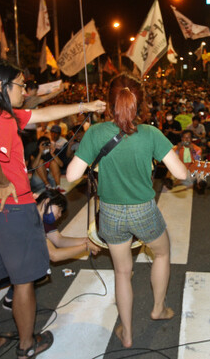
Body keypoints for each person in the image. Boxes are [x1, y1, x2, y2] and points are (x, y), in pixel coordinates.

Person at [0, 58, 105, 358]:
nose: (26, 91)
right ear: (3, 86)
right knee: (23, 282)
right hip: (13, 209)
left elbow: (42, 114)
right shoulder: (3, 120)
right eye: (21, 85)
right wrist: (4, 182)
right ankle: (27, 344)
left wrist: (85, 106)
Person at [66, 73, 188, 349]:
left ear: (108, 104)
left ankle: (128, 333)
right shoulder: (151, 134)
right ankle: (158, 308)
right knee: (162, 253)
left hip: (110, 213)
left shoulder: (95, 133)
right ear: (141, 103)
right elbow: (181, 172)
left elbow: (72, 175)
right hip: (144, 210)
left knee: (123, 272)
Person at [1, 189, 100, 310]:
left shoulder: (41, 214)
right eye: (59, 211)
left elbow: (59, 240)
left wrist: (86, 241)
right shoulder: (31, 219)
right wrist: (85, 247)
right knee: (39, 258)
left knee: (37, 255)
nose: (59, 216)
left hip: (11, 258)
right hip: (4, 264)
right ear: (47, 201)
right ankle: (15, 294)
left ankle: (13, 295)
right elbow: (54, 255)